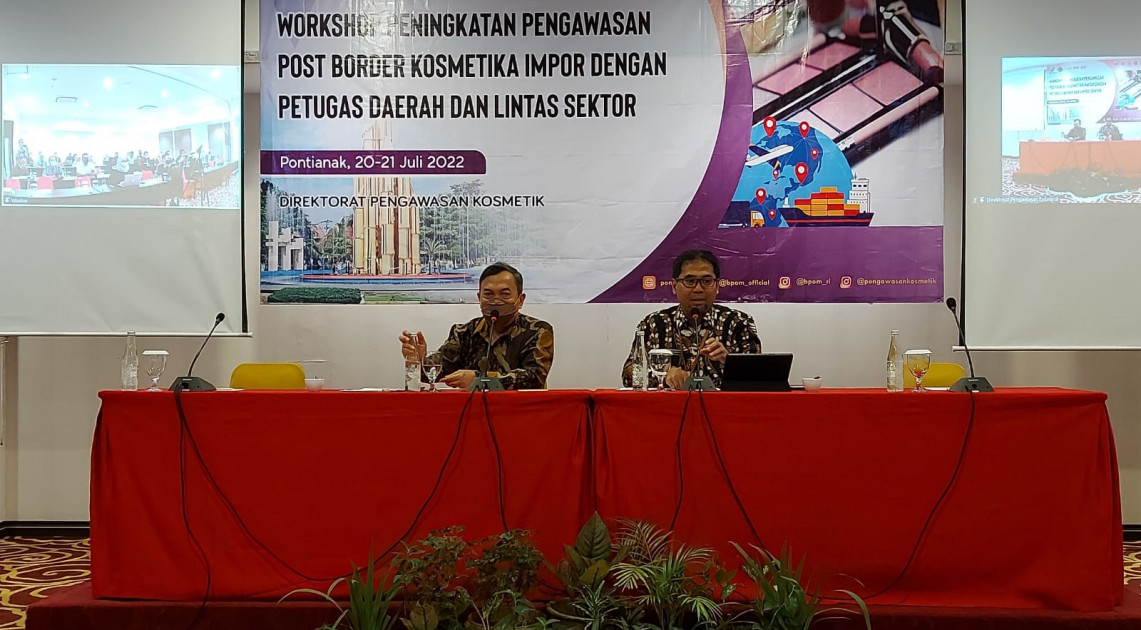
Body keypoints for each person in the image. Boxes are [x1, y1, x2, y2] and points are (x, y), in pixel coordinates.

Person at [399, 262, 554, 390]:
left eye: (505, 294)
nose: (496, 301)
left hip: (518, 412)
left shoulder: (537, 331)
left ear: (520, 300)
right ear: (479, 298)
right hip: (472, 412)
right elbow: (433, 374)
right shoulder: (463, 333)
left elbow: (534, 378)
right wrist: (418, 361)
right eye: (488, 294)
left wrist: (480, 379)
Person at [622, 250, 762, 390]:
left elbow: (760, 379)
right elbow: (629, 375)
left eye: (707, 281)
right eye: (690, 281)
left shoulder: (738, 323)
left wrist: (730, 362)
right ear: (674, 286)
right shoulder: (654, 324)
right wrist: (662, 374)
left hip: (722, 403)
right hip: (669, 403)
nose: (698, 289)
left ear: (717, 286)